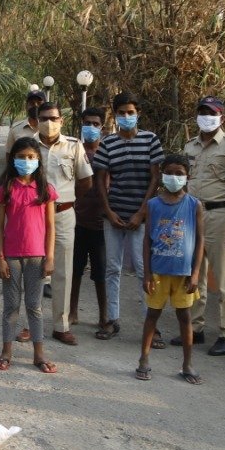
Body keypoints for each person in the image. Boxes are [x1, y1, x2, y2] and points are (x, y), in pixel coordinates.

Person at [174, 95, 225, 356]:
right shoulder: (190, 147)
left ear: (222, 117)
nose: (205, 116)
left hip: (220, 217)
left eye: (211, 112)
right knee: (194, 274)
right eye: (202, 111)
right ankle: (195, 329)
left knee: (224, 280)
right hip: (193, 215)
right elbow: (183, 183)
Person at [91, 92, 163, 341]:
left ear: (138, 113)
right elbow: (99, 179)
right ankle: (111, 319)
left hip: (141, 217)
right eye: (121, 112)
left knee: (144, 270)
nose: (126, 116)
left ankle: (150, 325)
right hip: (114, 217)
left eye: (130, 112)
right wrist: (109, 212)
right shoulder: (108, 143)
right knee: (112, 268)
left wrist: (142, 212)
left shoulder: (151, 140)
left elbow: (156, 177)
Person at [0, 136, 57, 373]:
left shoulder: (45, 190)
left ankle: (39, 354)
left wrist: (50, 257)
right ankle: (6, 351)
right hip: (11, 256)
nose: (26, 161)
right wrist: (0, 257)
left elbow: (50, 226)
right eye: (21, 157)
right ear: (13, 159)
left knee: (34, 305)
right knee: (11, 306)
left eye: (31, 157)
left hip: (37, 257)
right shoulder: (6, 188)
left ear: (38, 159)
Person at [138, 154, 205, 384]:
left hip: (183, 273)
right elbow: (146, 240)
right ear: (162, 175)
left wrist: (195, 273)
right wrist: (147, 273)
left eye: (179, 174)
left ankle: (187, 364)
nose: (174, 177)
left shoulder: (194, 205)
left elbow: (200, 240)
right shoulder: (153, 205)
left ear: (188, 177)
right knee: (152, 315)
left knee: (185, 317)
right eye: (170, 173)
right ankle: (144, 360)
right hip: (158, 271)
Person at [30, 100, 92, 346]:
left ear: (61, 121)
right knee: (32, 269)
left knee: (64, 270)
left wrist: (66, 198)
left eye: (53, 118)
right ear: (36, 120)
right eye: (43, 118)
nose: (48, 123)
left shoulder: (74, 146)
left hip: (64, 213)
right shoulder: (28, 145)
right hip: (33, 214)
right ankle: (29, 323)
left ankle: (60, 325)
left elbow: (85, 181)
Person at [69, 107, 108, 330]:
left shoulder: (107, 151)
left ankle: (104, 315)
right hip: (77, 221)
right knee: (75, 270)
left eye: (95, 123)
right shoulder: (75, 151)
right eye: (87, 123)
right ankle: (72, 311)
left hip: (101, 223)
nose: (91, 127)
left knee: (100, 272)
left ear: (102, 126)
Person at [3, 88, 48, 159]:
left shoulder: (50, 127)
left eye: (39, 103)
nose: (35, 106)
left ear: (45, 106)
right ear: (26, 106)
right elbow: (9, 154)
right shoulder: (16, 129)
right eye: (31, 103)